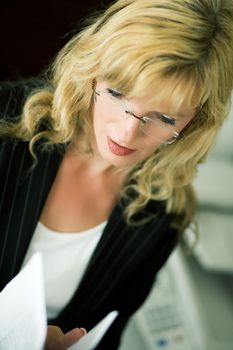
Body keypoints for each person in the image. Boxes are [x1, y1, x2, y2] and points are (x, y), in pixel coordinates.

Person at [0, 0, 233, 349]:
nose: (125, 135)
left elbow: (105, 335)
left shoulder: (163, 215)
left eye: (164, 118)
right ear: (92, 70)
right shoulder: (5, 125)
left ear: (194, 124)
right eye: (116, 93)